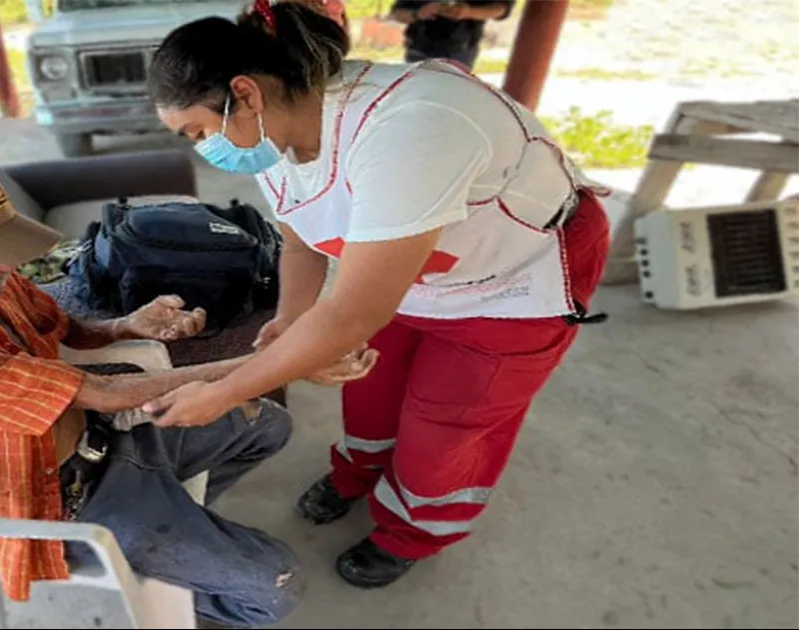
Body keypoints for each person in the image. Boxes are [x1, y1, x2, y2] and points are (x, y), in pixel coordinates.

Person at [142, 0, 611, 590]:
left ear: (246, 92)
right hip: (412, 272)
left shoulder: (413, 128)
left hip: (510, 278)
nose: (204, 148)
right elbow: (302, 241)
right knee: (368, 385)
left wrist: (225, 391)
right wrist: (290, 321)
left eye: (199, 132)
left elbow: (352, 313)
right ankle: (358, 473)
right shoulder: (272, 133)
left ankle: (411, 531)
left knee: (448, 421)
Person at [0, 153, 379, 627]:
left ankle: (179, 524)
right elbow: (103, 392)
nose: (0, 269)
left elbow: (67, 330)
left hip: (107, 438)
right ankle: (174, 562)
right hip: (70, 500)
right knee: (276, 589)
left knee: (267, 426)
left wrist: (127, 325)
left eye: (0, 248)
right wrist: (281, 362)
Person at [389, 0, 516, 69]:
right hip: (418, 48)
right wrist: (418, 14)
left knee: (450, 97)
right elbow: (396, 13)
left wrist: (468, 12)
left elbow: (501, 8)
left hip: (459, 51)